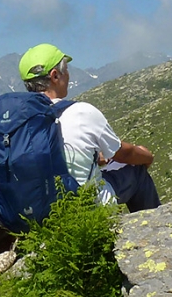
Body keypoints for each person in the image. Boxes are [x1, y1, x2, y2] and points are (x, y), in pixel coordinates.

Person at [18, 43, 160, 212]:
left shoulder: (17, 120)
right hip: (85, 208)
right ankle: (152, 230)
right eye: (66, 69)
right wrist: (146, 156)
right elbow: (125, 154)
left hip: (36, 210)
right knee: (136, 171)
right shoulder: (81, 112)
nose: (68, 76)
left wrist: (93, 158)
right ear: (55, 76)